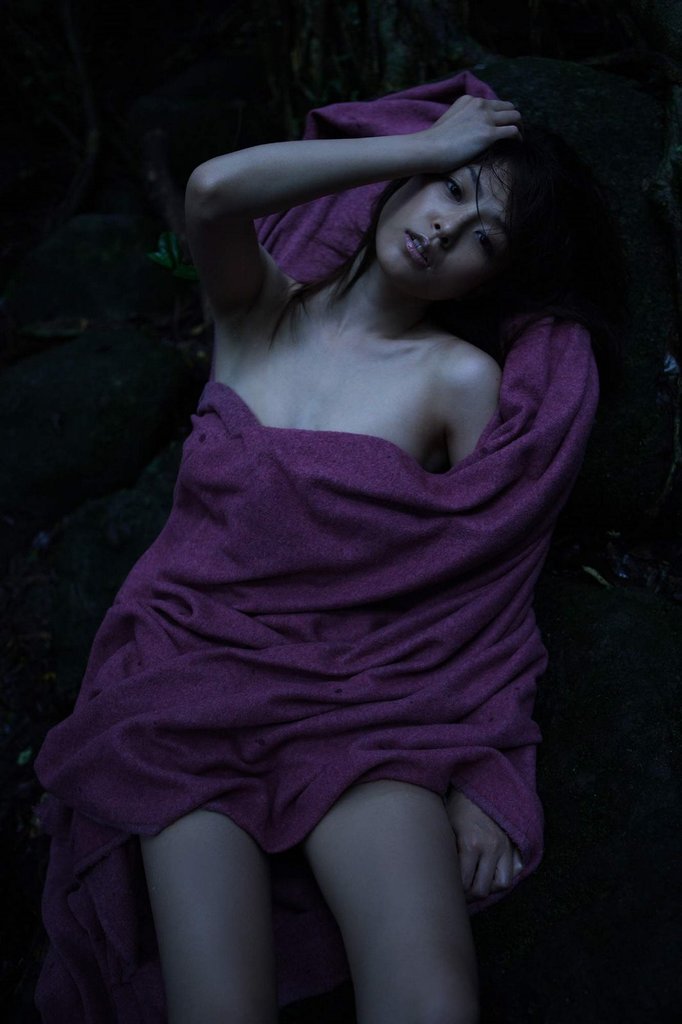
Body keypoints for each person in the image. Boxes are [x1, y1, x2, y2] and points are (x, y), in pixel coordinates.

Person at [34, 81, 624, 1024]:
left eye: (485, 239)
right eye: (452, 191)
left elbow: (483, 588)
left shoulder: (459, 380)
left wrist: (488, 765)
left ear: (490, 279)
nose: (447, 228)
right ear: (408, 174)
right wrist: (425, 146)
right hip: (188, 685)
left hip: (365, 702)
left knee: (431, 1002)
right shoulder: (258, 310)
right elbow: (213, 191)